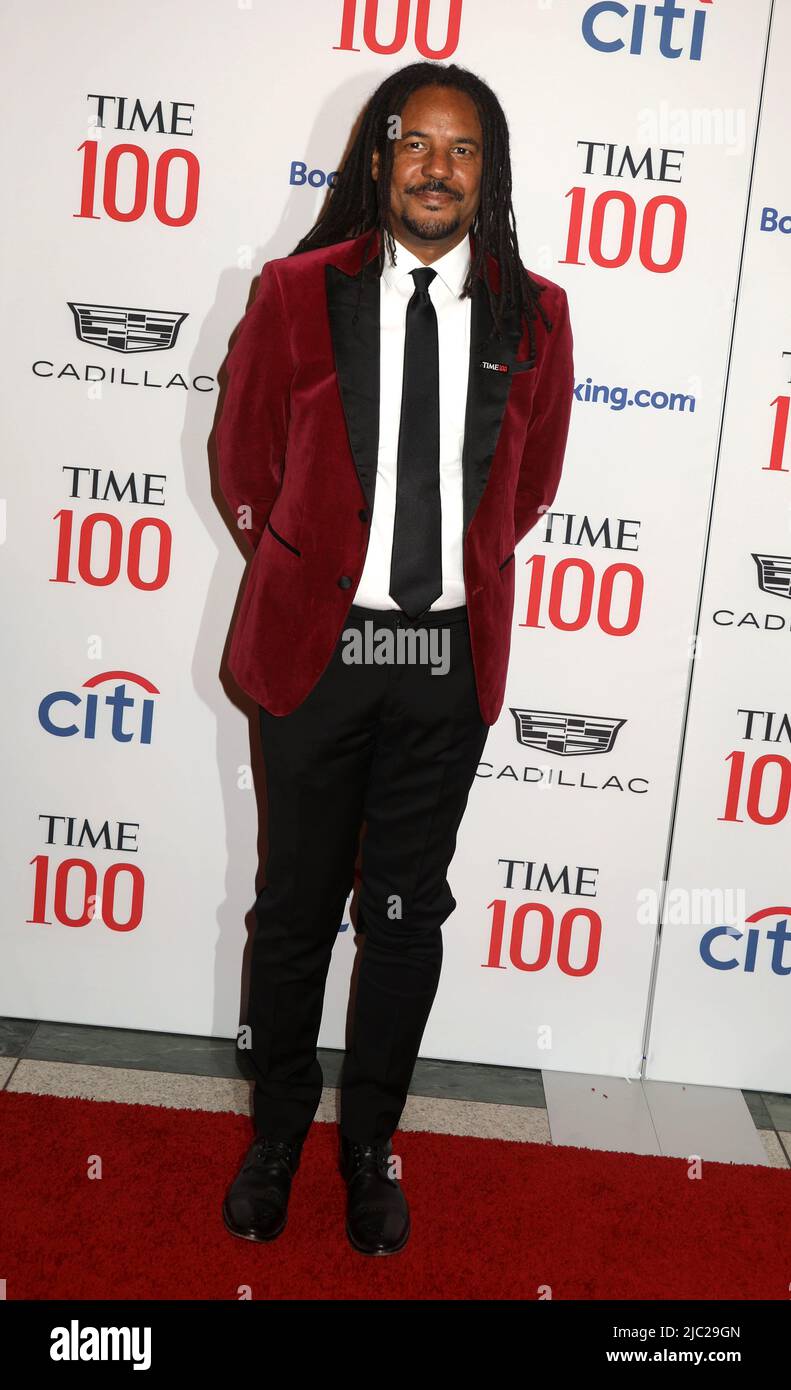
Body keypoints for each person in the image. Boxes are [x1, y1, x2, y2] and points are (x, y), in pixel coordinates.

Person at [215, 59, 574, 1256]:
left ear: (488, 171)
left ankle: (370, 1144)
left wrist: (427, 587)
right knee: (291, 913)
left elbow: (525, 491)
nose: (435, 168)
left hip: (441, 665)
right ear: (378, 158)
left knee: (404, 914)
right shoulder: (295, 291)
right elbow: (244, 465)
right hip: (317, 658)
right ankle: (274, 1133)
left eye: (460, 149)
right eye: (414, 144)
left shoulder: (537, 316)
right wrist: (317, 573)